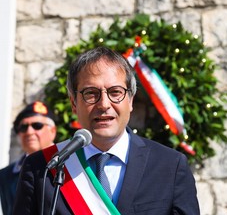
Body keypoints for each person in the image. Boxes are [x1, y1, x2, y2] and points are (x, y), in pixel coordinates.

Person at [13, 47, 200, 214]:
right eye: (91, 93)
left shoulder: (169, 166)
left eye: (115, 92)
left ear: (130, 100)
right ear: (74, 104)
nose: (103, 104)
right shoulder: (42, 168)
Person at [0, 101, 57, 215]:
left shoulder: (71, 163)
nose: (29, 132)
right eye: (23, 127)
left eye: (37, 126)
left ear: (52, 131)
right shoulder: (5, 175)